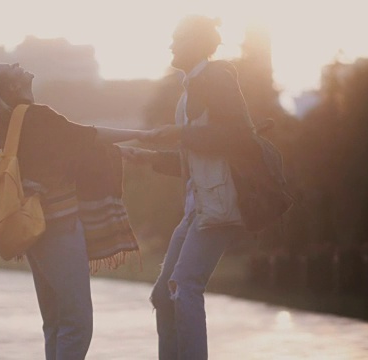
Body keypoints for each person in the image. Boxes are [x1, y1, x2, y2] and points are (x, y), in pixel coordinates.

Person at [0, 63, 144, 360]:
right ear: (13, 87)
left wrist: (132, 151)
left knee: (56, 322)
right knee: (78, 323)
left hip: (34, 230)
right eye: (13, 68)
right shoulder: (36, 116)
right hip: (58, 228)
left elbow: (71, 151)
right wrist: (145, 134)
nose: (20, 66)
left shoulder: (12, 123)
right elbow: (88, 136)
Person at [122, 15, 255, 359]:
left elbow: (240, 135)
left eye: (177, 39)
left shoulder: (217, 78)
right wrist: (149, 157)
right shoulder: (190, 88)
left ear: (195, 44)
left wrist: (180, 134)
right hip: (197, 206)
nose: (170, 45)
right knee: (163, 296)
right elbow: (194, 157)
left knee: (184, 286)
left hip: (219, 204)